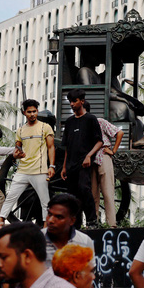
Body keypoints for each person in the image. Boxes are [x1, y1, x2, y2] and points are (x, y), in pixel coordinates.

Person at [0, 99, 55, 224]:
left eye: (34, 111)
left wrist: (52, 166)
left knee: (45, 202)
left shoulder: (45, 127)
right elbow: (17, 149)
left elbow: (51, 147)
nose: (32, 114)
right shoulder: (20, 130)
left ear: (37, 111)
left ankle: (46, 228)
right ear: (24, 113)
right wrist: (17, 154)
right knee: (10, 198)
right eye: (29, 112)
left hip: (40, 171)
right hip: (23, 171)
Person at [62, 88, 103, 228]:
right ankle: (76, 224)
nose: (72, 104)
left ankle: (92, 221)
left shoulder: (91, 119)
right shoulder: (69, 122)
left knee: (84, 189)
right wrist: (63, 167)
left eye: (74, 101)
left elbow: (99, 142)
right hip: (70, 166)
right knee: (72, 196)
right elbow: (67, 146)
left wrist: (88, 156)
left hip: (84, 164)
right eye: (70, 102)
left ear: (82, 101)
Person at [82, 100, 123, 227]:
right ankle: (93, 225)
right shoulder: (80, 124)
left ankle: (112, 225)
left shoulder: (99, 121)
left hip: (103, 156)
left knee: (108, 193)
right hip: (90, 160)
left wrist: (113, 151)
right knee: (93, 194)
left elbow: (119, 132)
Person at [41, 194, 95, 267]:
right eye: (49, 214)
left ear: (72, 220)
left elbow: (88, 274)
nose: (51, 220)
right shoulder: (36, 240)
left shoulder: (84, 242)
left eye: (59, 217)